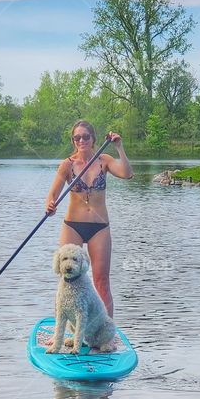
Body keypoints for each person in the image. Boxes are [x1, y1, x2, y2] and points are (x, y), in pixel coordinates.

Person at [45, 120, 133, 317]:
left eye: (86, 136)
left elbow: (127, 174)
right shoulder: (67, 165)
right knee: (67, 279)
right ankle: (64, 332)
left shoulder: (105, 160)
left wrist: (119, 148)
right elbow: (52, 195)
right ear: (73, 140)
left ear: (93, 139)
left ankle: (107, 332)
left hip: (99, 227)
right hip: (73, 226)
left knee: (101, 280)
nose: (81, 140)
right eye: (77, 137)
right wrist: (50, 206)